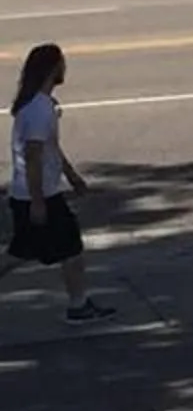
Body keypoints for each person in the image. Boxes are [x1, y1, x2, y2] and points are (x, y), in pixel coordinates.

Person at [10, 44, 113, 324]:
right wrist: (38, 202)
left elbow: (50, 149)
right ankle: (78, 306)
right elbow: (33, 156)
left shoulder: (41, 105)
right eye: (62, 63)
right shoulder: (39, 110)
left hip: (37, 193)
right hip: (38, 195)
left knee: (25, 251)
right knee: (68, 249)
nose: (65, 68)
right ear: (52, 68)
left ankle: (79, 304)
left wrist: (71, 176)